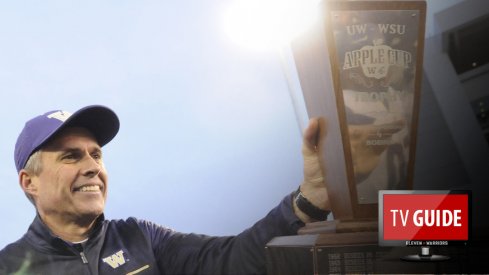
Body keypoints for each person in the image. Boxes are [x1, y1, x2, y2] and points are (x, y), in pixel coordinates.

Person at [0, 105, 330, 274]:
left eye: (96, 154)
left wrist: (308, 201)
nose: (92, 167)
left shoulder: (142, 238)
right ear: (30, 182)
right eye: (71, 156)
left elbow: (233, 259)